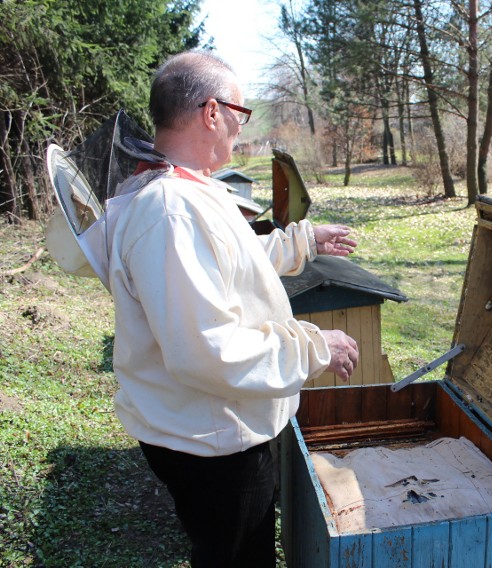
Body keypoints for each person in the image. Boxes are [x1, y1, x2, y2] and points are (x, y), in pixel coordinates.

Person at [103, 50, 359, 566]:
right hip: (212, 442)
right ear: (211, 112)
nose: (241, 129)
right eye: (240, 115)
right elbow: (207, 351)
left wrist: (304, 241)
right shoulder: (170, 211)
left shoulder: (188, 187)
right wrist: (314, 348)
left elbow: (230, 258)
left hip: (213, 428)